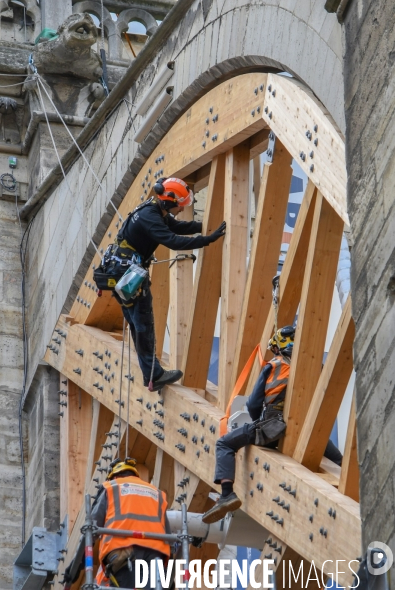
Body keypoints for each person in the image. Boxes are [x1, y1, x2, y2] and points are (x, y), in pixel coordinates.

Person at [202, 326, 343, 524]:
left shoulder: (274, 364)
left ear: (278, 347)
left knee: (225, 444)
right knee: (340, 463)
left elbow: (253, 404)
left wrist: (257, 421)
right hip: (307, 430)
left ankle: (226, 495)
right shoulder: (315, 368)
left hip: (274, 427)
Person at [113, 177, 226, 392]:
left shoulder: (155, 209)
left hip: (123, 271)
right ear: (169, 201)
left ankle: (151, 374)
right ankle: (154, 376)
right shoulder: (150, 216)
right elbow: (173, 241)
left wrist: (206, 226)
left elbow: (178, 227)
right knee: (143, 325)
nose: (180, 210)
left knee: (139, 326)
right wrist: (207, 240)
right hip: (128, 275)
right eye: (179, 205)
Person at [92, 457, 171, 589]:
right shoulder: (156, 493)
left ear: (114, 476)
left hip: (123, 551)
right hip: (155, 552)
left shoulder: (111, 487)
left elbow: (93, 526)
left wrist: (78, 562)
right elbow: (168, 535)